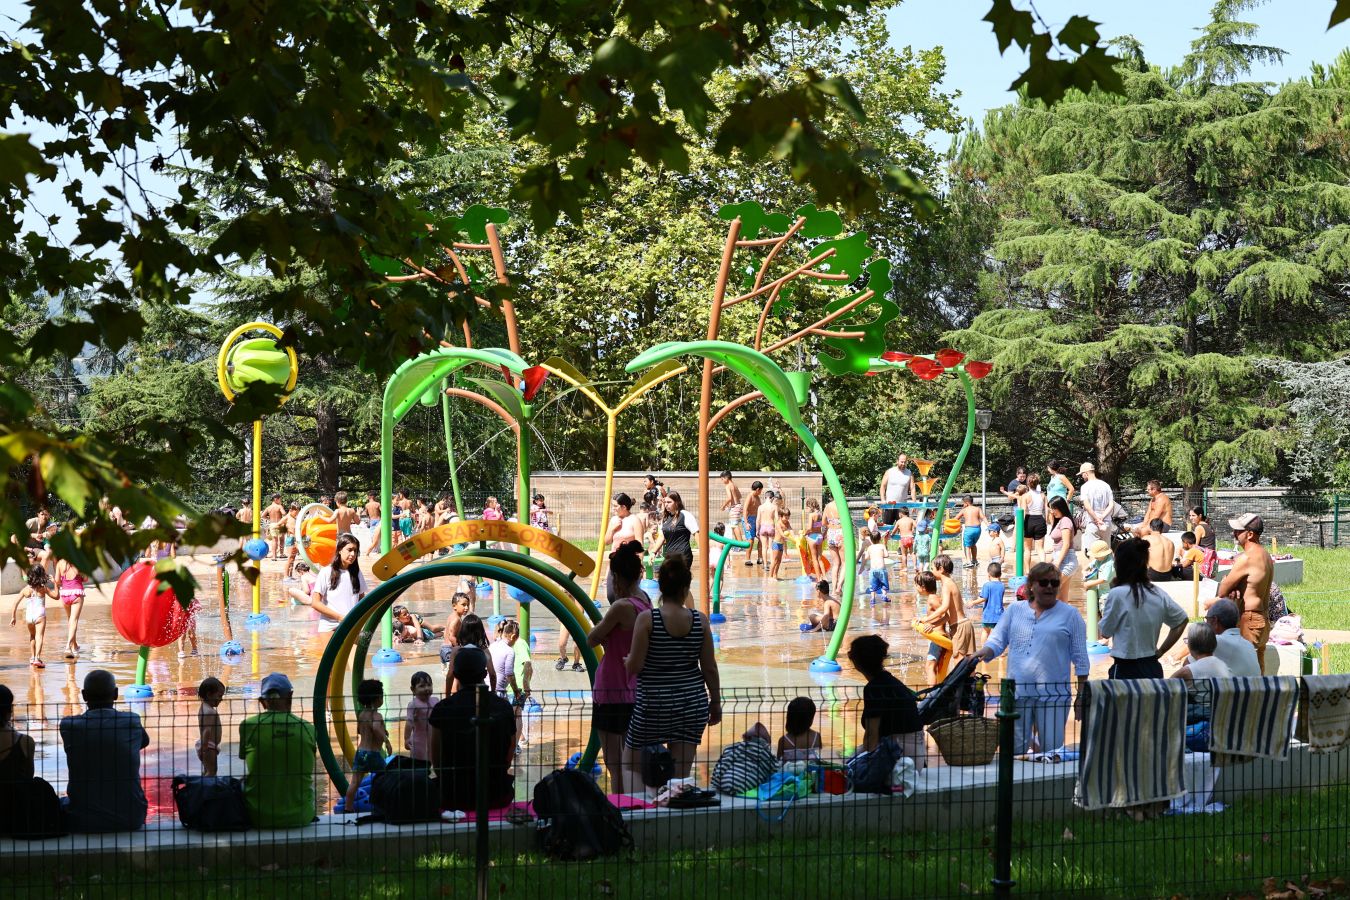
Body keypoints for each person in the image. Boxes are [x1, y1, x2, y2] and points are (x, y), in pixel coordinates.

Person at [976, 563, 1090, 759]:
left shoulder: (1071, 615)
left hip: (1054, 696)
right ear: (1031, 585)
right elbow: (997, 640)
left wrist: (1081, 697)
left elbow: (1081, 661)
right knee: (1014, 752)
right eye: (1044, 582)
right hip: (1016, 692)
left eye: (1054, 583)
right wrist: (982, 653)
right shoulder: (1015, 610)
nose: (1050, 587)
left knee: (1051, 752)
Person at [624, 557, 721, 780]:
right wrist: (715, 702)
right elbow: (709, 668)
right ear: (686, 589)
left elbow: (635, 665)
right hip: (691, 703)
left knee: (630, 767)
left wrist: (627, 660)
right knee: (679, 776)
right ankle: (674, 798)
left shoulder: (648, 619)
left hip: (653, 705)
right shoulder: (700, 621)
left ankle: (642, 802)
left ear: (660, 587)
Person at [586, 540, 651, 794]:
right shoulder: (646, 602)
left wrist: (606, 634)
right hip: (636, 689)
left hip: (611, 690)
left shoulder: (621, 607)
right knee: (633, 763)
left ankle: (620, 808)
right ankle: (636, 805)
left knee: (614, 764)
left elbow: (591, 639)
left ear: (617, 579)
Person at [60, 670, 149, 832]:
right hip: (131, 817)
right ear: (115, 694)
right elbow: (144, 742)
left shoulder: (69, 726)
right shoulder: (132, 721)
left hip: (82, 819)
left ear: (84, 695)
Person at [429, 646, 516, 812]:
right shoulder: (503, 707)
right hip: (495, 793)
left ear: (455, 675)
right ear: (484, 674)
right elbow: (508, 756)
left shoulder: (443, 709)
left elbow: (437, 762)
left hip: (453, 795)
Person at [1098, 538, 1188, 680]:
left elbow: (1105, 632)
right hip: (1152, 667)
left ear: (1120, 564)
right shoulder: (1157, 593)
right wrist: (1162, 650)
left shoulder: (1117, 594)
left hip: (1125, 669)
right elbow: (1181, 620)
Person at [240, 673, 317, 828]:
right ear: (290, 696)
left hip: (258, 816)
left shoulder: (248, 726)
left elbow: (245, 758)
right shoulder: (308, 728)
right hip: (301, 816)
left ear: (262, 702)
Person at [847, 634, 925, 768]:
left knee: (846, 766)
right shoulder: (891, 681)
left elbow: (871, 735)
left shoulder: (874, 688)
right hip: (913, 758)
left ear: (857, 661)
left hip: (899, 760)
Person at [1215, 513, 1275, 674]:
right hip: (1263, 618)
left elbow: (1222, 591)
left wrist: (1227, 580)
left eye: (1238, 531)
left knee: (1244, 671)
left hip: (1249, 619)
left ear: (1250, 534)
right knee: (1258, 670)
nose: (1234, 534)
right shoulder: (1265, 555)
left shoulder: (1246, 558)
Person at [302, 533, 367, 631]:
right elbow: (315, 603)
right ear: (340, 550)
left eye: (355, 550)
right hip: (329, 627)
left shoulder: (357, 573)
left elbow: (362, 600)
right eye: (349, 550)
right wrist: (339, 617)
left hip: (352, 626)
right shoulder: (326, 572)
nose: (353, 554)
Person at [346, 679, 390, 813]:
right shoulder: (376, 715)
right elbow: (375, 728)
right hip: (372, 754)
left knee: (355, 782)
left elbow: (360, 730)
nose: (382, 699)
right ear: (377, 698)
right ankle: (384, 805)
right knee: (386, 778)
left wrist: (381, 730)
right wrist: (386, 740)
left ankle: (348, 808)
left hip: (361, 753)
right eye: (381, 696)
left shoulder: (362, 714)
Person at [1198, 599, 1261, 677]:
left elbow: (1190, 664)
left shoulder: (1217, 641)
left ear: (1215, 620)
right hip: (1252, 684)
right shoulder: (1249, 645)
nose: (1206, 624)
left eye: (1207, 619)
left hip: (1235, 685)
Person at [10, 564, 57, 669]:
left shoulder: (25, 589)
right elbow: (56, 596)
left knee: (32, 636)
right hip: (40, 615)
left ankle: (32, 657)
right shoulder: (43, 588)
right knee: (39, 636)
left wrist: (13, 617)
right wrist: (55, 583)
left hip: (29, 616)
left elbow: (15, 604)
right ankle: (37, 658)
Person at [447, 614, 497, 694]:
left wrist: (447, 695)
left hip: (463, 691)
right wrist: (493, 692)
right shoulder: (484, 651)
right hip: (480, 692)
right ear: (480, 632)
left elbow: (450, 675)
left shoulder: (457, 651)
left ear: (462, 631)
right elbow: (492, 674)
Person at [651, 490, 699, 571]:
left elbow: (696, 534)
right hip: (670, 556)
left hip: (683, 556)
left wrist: (703, 553)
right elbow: (662, 536)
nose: (666, 504)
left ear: (677, 503)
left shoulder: (685, 515)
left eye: (669, 502)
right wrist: (653, 552)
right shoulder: (666, 518)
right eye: (665, 502)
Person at [53, 557, 86, 659]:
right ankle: (68, 646)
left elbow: (57, 581)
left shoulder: (60, 563)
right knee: (74, 620)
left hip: (65, 594)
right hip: (76, 593)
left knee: (70, 620)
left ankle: (74, 646)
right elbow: (86, 578)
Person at [1077, 463, 1115, 550]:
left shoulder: (1085, 487)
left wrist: (1097, 519)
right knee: (1106, 550)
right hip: (1106, 523)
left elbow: (1087, 506)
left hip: (1093, 523)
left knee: (1093, 552)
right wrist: (1102, 517)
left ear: (1086, 473)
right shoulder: (1106, 485)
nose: (1082, 477)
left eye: (1082, 474)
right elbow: (1111, 505)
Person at [1047, 497, 1078, 601]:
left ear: (1060, 507)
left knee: (1049, 593)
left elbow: (1066, 544)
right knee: (1062, 599)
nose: (1052, 511)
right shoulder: (1061, 521)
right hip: (1064, 559)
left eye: (1053, 508)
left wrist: (1057, 563)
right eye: (1050, 509)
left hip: (1066, 561)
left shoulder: (1065, 521)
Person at [404, 671, 436, 762]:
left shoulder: (436, 701)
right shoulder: (413, 704)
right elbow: (409, 722)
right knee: (419, 763)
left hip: (433, 740)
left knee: (434, 761)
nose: (427, 688)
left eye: (429, 685)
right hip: (418, 742)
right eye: (422, 686)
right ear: (413, 690)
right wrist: (406, 739)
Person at [880, 453, 917, 532]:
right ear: (897, 461)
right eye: (901, 462)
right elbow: (883, 486)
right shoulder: (889, 472)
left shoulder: (909, 474)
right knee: (886, 529)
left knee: (905, 529)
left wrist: (914, 503)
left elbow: (912, 489)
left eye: (905, 462)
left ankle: (903, 541)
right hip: (889, 505)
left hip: (902, 506)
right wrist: (883, 500)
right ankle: (886, 540)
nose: (903, 464)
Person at [777, 697, 821, 763]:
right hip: (812, 769)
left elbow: (779, 763)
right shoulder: (816, 737)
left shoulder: (784, 740)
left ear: (789, 717)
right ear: (810, 718)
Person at [196, 676, 225, 777]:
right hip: (208, 746)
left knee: (207, 769)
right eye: (219, 696)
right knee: (212, 771)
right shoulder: (210, 712)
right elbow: (206, 731)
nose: (221, 699)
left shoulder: (203, 708)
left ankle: (203, 782)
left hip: (207, 744)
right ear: (209, 694)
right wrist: (204, 749)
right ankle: (207, 785)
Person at [440, 591, 473, 666]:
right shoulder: (456, 619)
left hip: (444, 648)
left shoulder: (451, 616)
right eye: (463, 605)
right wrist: (459, 648)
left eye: (468, 605)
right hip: (449, 649)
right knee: (453, 669)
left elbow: (446, 633)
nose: (466, 608)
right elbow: (451, 637)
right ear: (454, 606)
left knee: (446, 670)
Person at [974, 562, 1006, 638]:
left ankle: (984, 645)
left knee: (985, 632)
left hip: (988, 615)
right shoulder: (1002, 585)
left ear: (988, 575)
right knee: (997, 633)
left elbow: (983, 598)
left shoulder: (987, 585)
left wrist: (973, 602)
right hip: (999, 615)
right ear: (1000, 575)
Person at [1020, 474, 1047, 562]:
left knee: (1027, 549)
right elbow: (1046, 510)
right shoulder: (1043, 495)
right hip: (1040, 520)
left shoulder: (1025, 496)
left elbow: (1023, 511)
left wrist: (1020, 526)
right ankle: (1044, 568)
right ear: (1037, 483)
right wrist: (1046, 521)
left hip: (1029, 521)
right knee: (1040, 549)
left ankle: (1027, 569)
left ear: (1028, 483)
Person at [958, 494, 987, 569]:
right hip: (977, 529)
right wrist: (988, 525)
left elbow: (956, 518)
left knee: (967, 546)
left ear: (966, 503)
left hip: (969, 529)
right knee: (973, 544)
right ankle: (974, 560)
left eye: (963, 503)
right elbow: (983, 517)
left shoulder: (964, 510)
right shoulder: (978, 509)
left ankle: (968, 561)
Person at [755, 490, 778, 573]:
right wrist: (777, 529)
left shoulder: (760, 507)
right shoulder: (774, 507)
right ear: (772, 498)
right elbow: (777, 519)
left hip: (763, 527)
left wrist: (757, 530)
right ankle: (772, 565)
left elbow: (758, 520)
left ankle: (765, 565)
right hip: (771, 526)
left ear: (765, 497)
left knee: (764, 547)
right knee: (771, 547)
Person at [719, 471, 744, 543]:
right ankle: (738, 544)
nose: (722, 481)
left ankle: (740, 544)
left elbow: (729, 498)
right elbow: (739, 496)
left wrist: (723, 506)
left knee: (734, 526)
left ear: (726, 478)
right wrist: (730, 505)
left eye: (722, 479)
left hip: (734, 507)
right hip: (738, 506)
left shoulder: (728, 486)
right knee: (734, 525)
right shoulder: (734, 485)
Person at [744, 480, 764, 568]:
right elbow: (745, 510)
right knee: (751, 540)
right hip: (749, 519)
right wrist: (746, 523)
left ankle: (760, 558)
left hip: (756, 519)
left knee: (761, 538)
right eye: (761, 490)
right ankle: (747, 559)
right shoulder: (750, 497)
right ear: (758, 489)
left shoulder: (757, 497)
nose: (761, 492)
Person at [803, 497, 826, 574]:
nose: (807, 509)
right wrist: (823, 535)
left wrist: (805, 533)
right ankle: (824, 577)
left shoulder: (811, 515)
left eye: (807, 507)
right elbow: (824, 526)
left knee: (814, 559)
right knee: (819, 559)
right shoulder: (821, 514)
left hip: (812, 537)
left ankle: (819, 578)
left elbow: (810, 528)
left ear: (811, 506)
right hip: (820, 536)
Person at [865, 531, 889, 603]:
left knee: (873, 585)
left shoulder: (869, 548)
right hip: (881, 569)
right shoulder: (882, 546)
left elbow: (866, 557)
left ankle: (873, 599)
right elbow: (886, 555)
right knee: (884, 583)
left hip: (872, 569)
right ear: (880, 538)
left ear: (871, 539)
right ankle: (884, 595)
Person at [893, 505, 916, 573]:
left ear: (901, 513)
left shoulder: (899, 521)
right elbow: (917, 526)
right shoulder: (911, 520)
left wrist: (892, 534)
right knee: (913, 553)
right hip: (910, 537)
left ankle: (905, 568)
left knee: (904, 555)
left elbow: (894, 530)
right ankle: (915, 566)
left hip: (903, 538)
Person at [263, 494, 286, 559]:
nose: (280, 500)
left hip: (272, 524)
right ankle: (281, 554)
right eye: (280, 499)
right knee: (282, 539)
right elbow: (284, 513)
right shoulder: (279, 506)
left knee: (274, 540)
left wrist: (269, 518)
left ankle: (274, 556)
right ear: (276, 499)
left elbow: (263, 516)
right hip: (279, 524)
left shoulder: (268, 507)